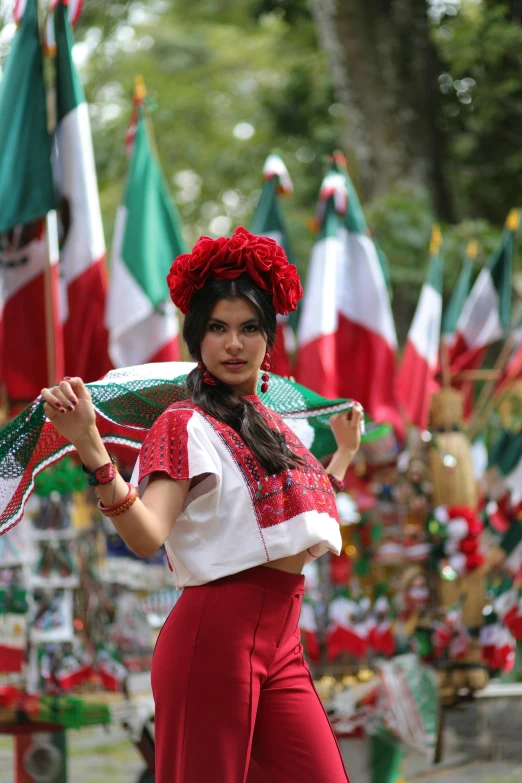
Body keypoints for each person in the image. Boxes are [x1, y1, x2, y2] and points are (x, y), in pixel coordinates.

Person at [41, 226, 362, 783]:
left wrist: (346, 454)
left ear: (268, 339)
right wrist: (92, 448)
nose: (233, 344)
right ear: (197, 337)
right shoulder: (185, 422)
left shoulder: (274, 428)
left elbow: (297, 521)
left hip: (282, 640)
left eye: (249, 328)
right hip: (214, 636)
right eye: (217, 328)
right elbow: (146, 534)